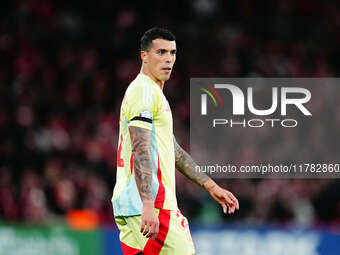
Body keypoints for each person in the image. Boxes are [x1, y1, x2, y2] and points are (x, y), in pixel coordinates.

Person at [112, 27, 239, 255]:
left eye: (172, 53)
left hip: (132, 205)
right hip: (153, 205)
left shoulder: (152, 93)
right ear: (144, 55)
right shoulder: (143, 91)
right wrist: (149, 204)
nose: (168, 59)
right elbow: (140, 149)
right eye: (161, 52)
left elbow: (174, 151)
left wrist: (210, 185)